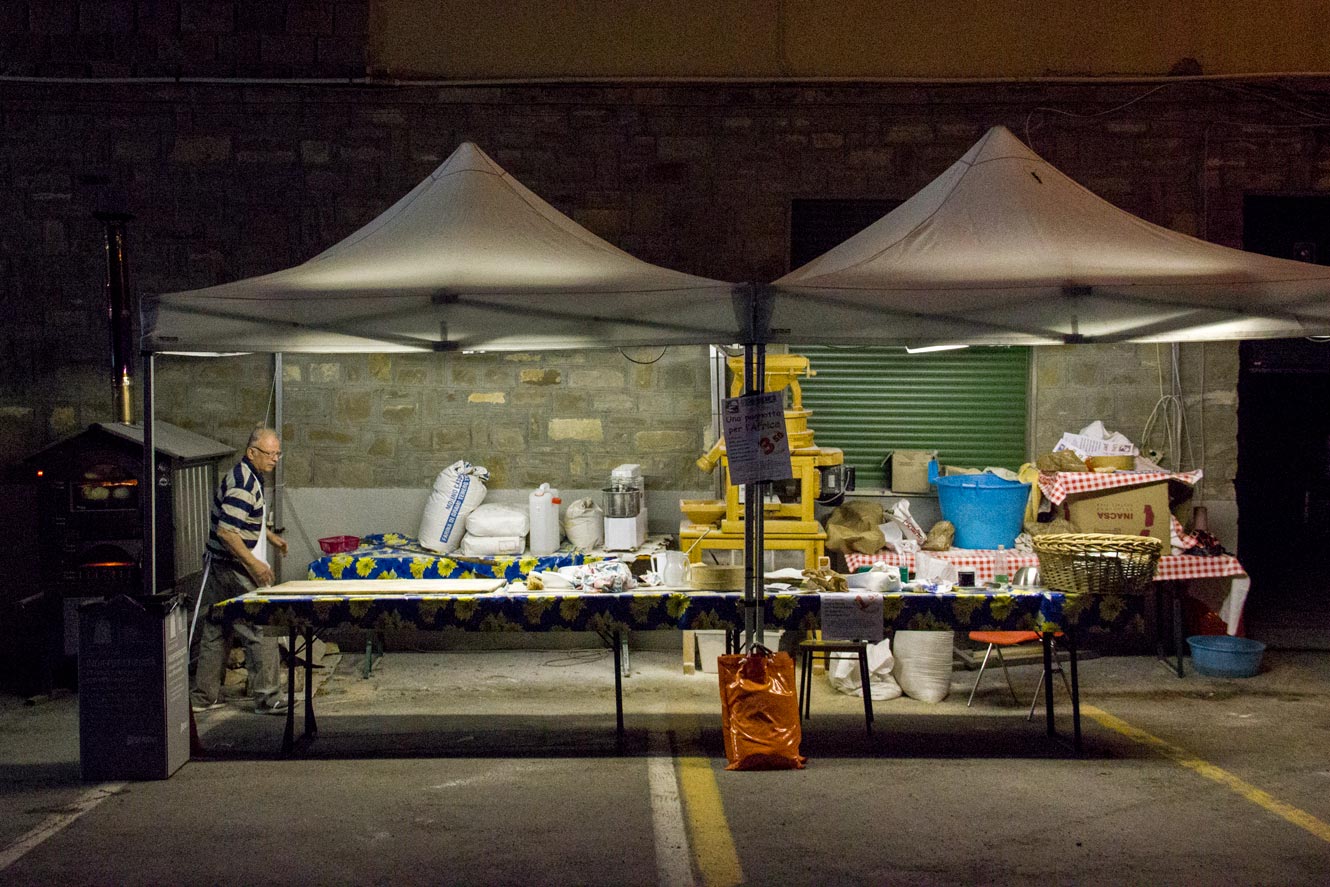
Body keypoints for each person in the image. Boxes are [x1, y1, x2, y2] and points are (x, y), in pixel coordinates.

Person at [190, 427, 289, 715]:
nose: (275, 459)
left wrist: (269, 536)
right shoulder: (243, 484)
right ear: (252, 452)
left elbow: (243, 520)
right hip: (232, 568)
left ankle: (204, 697)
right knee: (261, 628)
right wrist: (255, 564)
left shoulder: (248, 475)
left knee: (216, 628)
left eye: (278, 453)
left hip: (218, 565)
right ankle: (268, 697)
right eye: (270, 454)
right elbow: (227, 532)